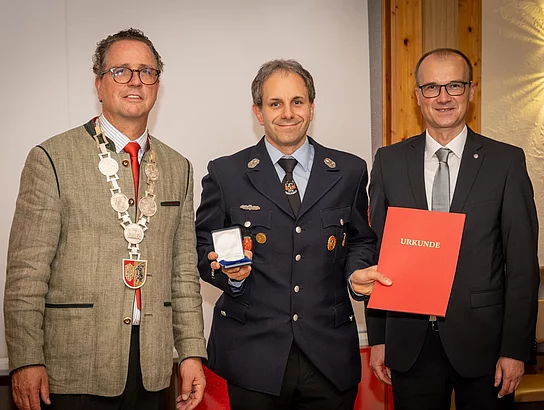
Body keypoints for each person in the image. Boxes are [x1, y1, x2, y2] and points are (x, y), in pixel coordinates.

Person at [4, 28, 207, 410]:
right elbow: (26, 274)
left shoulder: (178, 167)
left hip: (151, 366)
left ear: (157, 85)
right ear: (99, 84)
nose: (135, 80)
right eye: (121, 71)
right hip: (73, 367)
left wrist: (192, 352)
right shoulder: (52, 159)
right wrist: (26, 359)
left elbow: (183, 271)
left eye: (146, 72)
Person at [195, 59, 391, 410]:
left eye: (297, 102)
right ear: (258, 112)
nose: (288, 113)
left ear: (312, 107)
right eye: (275, 103)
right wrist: (229, 276)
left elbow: (360, 239)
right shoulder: (227, 173)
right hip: (253, 357)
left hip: (329, 356)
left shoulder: (349, 170)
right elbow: (202, 245)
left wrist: (355, 274)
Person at [365, 48, 540, 410]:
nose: (443, 97)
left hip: (486, 346)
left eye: (454, 85)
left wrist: (515, 348)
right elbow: (377, 253)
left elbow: (522, 265)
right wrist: (380, 337)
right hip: (410, 344)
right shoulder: (388, 162)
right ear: (418, 96)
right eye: (431, 87)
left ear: (471, 91)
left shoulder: (506, 162)